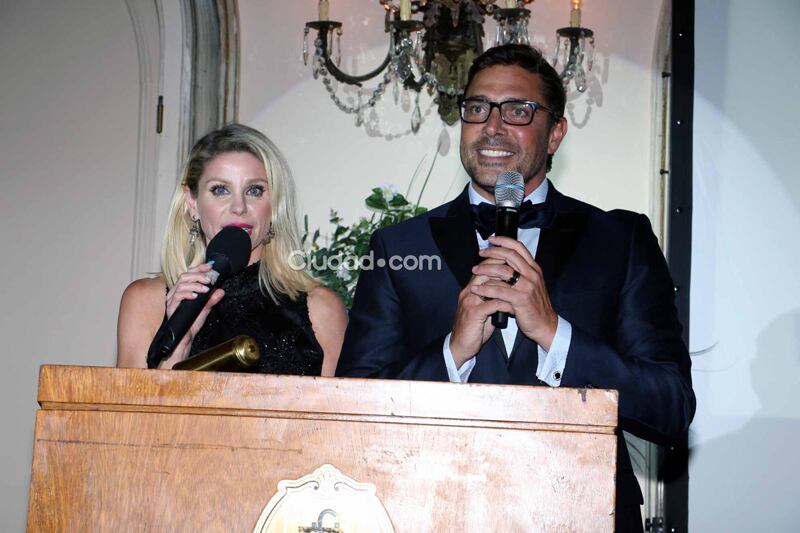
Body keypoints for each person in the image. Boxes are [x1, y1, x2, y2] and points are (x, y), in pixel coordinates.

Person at [336, 45, 695, 531]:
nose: (492, 126)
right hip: (431, 511)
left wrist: (554, 334)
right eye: (477, 108)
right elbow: (353, 413)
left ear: (556, 133)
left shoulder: (619, 240)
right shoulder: (399, 245)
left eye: (519, 110)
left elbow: (670, 406)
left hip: (584, 513)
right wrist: (452, 353)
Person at [117, 123, 346, 375]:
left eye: (255, 190)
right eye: (220, 190)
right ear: (192, 202)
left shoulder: (321, 308)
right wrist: (178, 346)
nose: (239, 207)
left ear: (275, 205)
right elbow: (133, 413)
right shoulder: (144, 302)